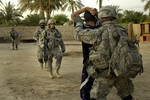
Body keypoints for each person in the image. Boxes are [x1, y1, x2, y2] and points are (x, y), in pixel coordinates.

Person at [73, 5, 134, 100]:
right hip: (121, 69)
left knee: (96, 97)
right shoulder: (122, 31)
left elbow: (78, 34)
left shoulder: (98, 32)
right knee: (126, 95)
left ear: (101, 17)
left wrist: (79, 23)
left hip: (105, 72)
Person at [71, 7, 100, 100]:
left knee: (86, 87)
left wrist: (84, 9)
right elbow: (107, 19)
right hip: (103, 62)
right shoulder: (100, 26)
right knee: (100, 86)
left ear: (85, 20)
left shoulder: (82, 28)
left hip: (89, 63)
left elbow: (73, 15)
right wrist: (97, 13)